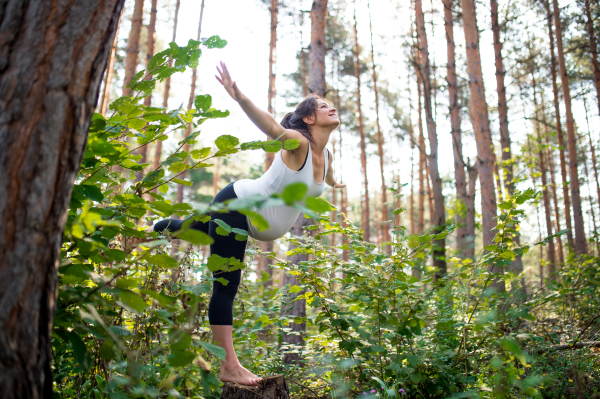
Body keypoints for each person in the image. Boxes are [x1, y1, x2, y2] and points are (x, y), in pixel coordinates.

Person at [153, 62, 345, 386]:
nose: (332, 107)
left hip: (245, 216)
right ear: (309, 118)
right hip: (237, 205)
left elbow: (322, 174)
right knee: (227, 282)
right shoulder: (296, 142)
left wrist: (334, 182)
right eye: (324, 106)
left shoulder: (324, 155)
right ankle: (229, 366)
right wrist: (239, 97)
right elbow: (271, 126)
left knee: (189, 228)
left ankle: (150, 230)